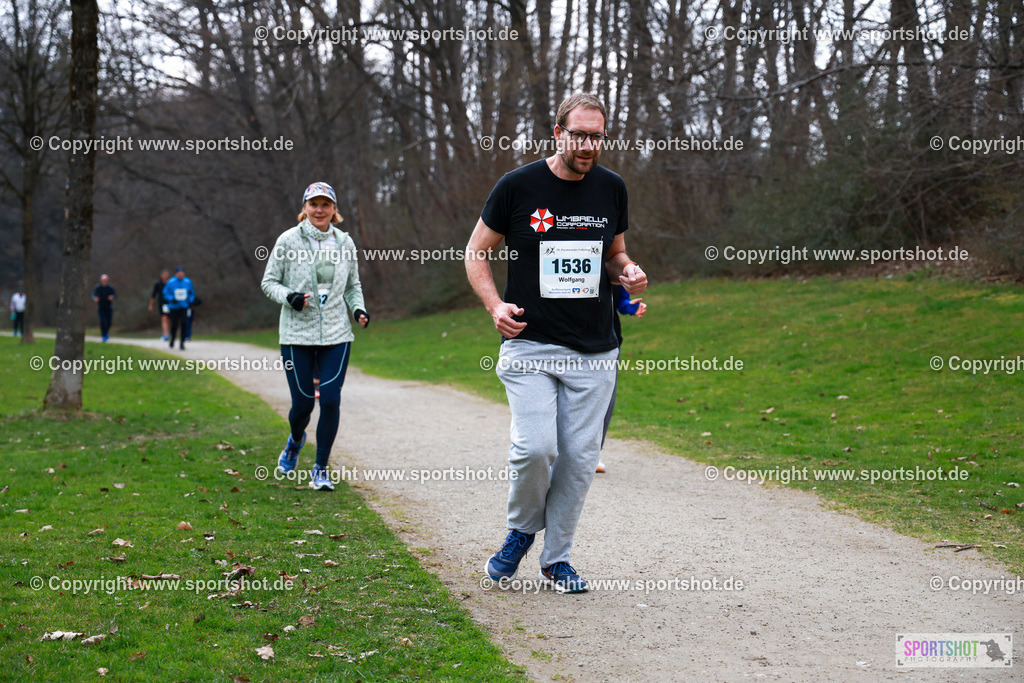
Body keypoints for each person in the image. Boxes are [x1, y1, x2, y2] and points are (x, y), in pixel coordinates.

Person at [466, 92, 647, 594]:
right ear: (558, 133)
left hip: (595, 350)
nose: (588, 144)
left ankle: (556, 559)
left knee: (578, 461)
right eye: (580, 134)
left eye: (597, 136)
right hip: (530, 344)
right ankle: (522, 530)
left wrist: (627, 272)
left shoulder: (611, 188)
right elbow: (476, 251)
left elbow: (614, 255)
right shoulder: (518, 186)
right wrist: (495, 306)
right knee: (535, 449)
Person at [261, 181, 369, 492]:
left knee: (331, 400)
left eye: (326, 204)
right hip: (296, 335)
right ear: (305, 208)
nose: (319, 210)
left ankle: (320, 468)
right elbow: (269, 283)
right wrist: (290, 296)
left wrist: (358, 309)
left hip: (336, 332)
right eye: (314, 204)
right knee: (303, 404)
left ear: (334, 210)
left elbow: (353, 285)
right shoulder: (287, 240)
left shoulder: (345, 243)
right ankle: (295, 440)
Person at [596, 284, 647, 473]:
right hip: (564, 341)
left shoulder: (614, 261)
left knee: (605, 400)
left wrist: (632, 307)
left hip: (607, 343)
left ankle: (592, 454)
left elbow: (621, 303)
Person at [163, 267, 195, 350]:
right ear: (176, 273)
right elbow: (165, 293)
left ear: (184, 273)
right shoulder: (171, 282)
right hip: (174, 307)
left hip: (184, 306)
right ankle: (172, 339)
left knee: (184, 323)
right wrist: (171, 298)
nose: (180, 274)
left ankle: (182, 342)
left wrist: (190, 301)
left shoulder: (187, 281)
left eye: (182, 272)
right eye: (179, 272)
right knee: (174, 324)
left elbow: (192, 293)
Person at [91, 274, 117, 342]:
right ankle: (104, 335)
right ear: (101, 280)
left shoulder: (110, 288)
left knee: (109, 322)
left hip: (109, 307)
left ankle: (106, 333)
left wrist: (112, 297)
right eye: (103, 280)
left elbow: (115, 295)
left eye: (106, 280)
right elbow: (93, 295)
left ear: (107, 280)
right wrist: (95, 298)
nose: (104, 282)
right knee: (103, 321)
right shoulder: (98, 287)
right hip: (101, 307)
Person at [149, 270, 171, 340]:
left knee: (169, 319)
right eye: (164, 275)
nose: (165, 276)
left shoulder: (171, 283)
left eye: (167, 275)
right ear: (161, 276)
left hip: (171, 303)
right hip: (162, 303)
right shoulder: (158, 284)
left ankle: (168, 332)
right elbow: (153, 295)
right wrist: (151, 305)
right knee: (164, 318)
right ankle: (165, 334)